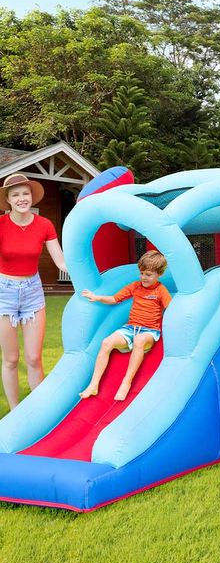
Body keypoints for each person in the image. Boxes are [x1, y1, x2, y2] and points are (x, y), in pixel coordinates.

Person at [0, 173, 67, 409]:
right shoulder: (1, 225)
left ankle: (38, 413)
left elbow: (60, 261)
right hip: (4, 293)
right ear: (8, 199)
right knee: (10, 359)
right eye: (15, 195)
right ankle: (16, 411)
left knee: (34, 358)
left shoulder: (44, 225)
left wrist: (84, 274)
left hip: (33, 292)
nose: (21, 198)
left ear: (32, 196)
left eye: (25, 193)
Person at [79, 250, 171, 401]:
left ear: (159, 274)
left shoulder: (161, 291)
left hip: (149, 332)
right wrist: (97, 297)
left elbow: (171, 308)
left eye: (148, 274)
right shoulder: (135, 286)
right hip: (130, 328)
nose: (144, 278)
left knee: (139, 340)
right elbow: (115, 299)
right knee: (106, 342)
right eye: (142, 273)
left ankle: (126, 382)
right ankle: (94, 384)